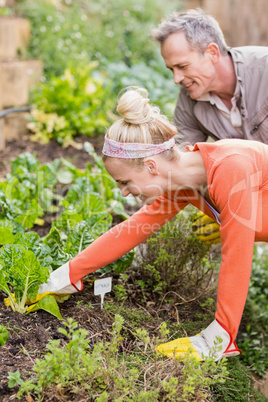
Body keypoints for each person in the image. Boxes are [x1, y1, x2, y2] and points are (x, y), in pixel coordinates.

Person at [38, 87, 268, 361]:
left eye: (124, 182)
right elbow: (132, 229)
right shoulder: (185, 183)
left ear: (151, 166)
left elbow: (236, 256)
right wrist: (65, 276)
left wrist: (219, 337)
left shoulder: (231, 169)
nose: (124, 192)